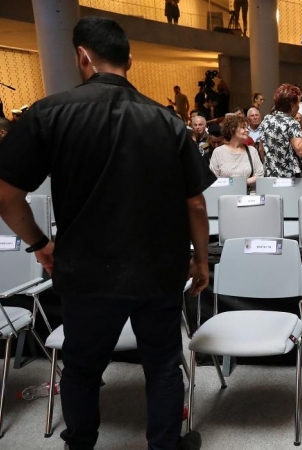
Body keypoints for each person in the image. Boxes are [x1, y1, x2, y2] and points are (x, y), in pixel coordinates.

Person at [0, 16, 213, 450]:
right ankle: (165, 445)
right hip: (158, 270)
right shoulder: (168, 122)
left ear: (82, 56)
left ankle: (79, 444)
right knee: (163, 367)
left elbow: (6, 196)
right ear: (130, 61)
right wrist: (201, 259)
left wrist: (41, 244)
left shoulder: (49, 113)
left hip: (85, 271)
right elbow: (195, 202)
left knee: (80, 368)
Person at [256, 84, 302, 178]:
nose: (298, 106)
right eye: (298, 103)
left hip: (270, 176)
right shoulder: (292, 123)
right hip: (291, 179)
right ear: (292, 105)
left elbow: (261, 149)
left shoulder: (266, 120)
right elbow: (301, 151)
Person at [209, 116, 263, 189]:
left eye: (247, 127)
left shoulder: (252, 151)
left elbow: (259, 175)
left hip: (246, 194)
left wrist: (241, 183)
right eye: (243, 127)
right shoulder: (218, 152)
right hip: (224, 194)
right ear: (232, 130)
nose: (247, 130)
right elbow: (213, 177)